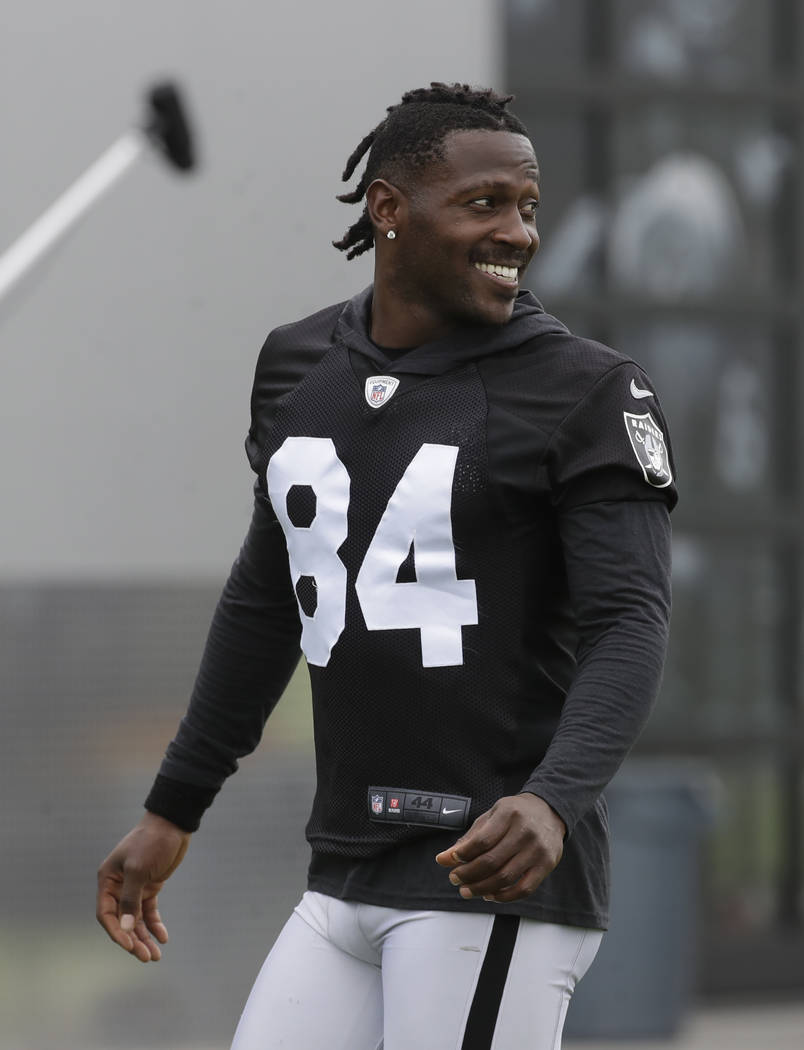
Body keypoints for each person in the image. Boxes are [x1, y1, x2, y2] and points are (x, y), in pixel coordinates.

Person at [97, 83, 676, 1050]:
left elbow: (631, 622)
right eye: (484, 203)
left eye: (528, 206)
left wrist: (554, 798)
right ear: (389, 208)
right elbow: (266, 601)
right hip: (345, 873)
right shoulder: (297, 366)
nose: (518, 232)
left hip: (490, 879)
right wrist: (173, 806)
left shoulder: (589, 390)